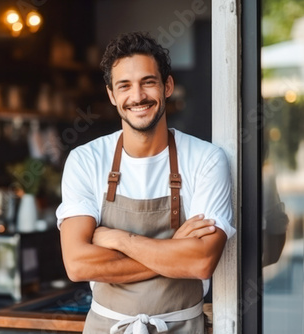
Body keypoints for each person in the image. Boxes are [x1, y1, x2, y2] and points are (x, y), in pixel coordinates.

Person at [56, 31, 236, 334]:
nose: (137, 96)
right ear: (112, 95)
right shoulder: (85, 160)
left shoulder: (206, 159)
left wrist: (119, 240)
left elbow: (202, 261)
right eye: (124, 86)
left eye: (148, 82)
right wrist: (175, 250)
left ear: (167, 86)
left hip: (182, 327)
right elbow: (77, 264)